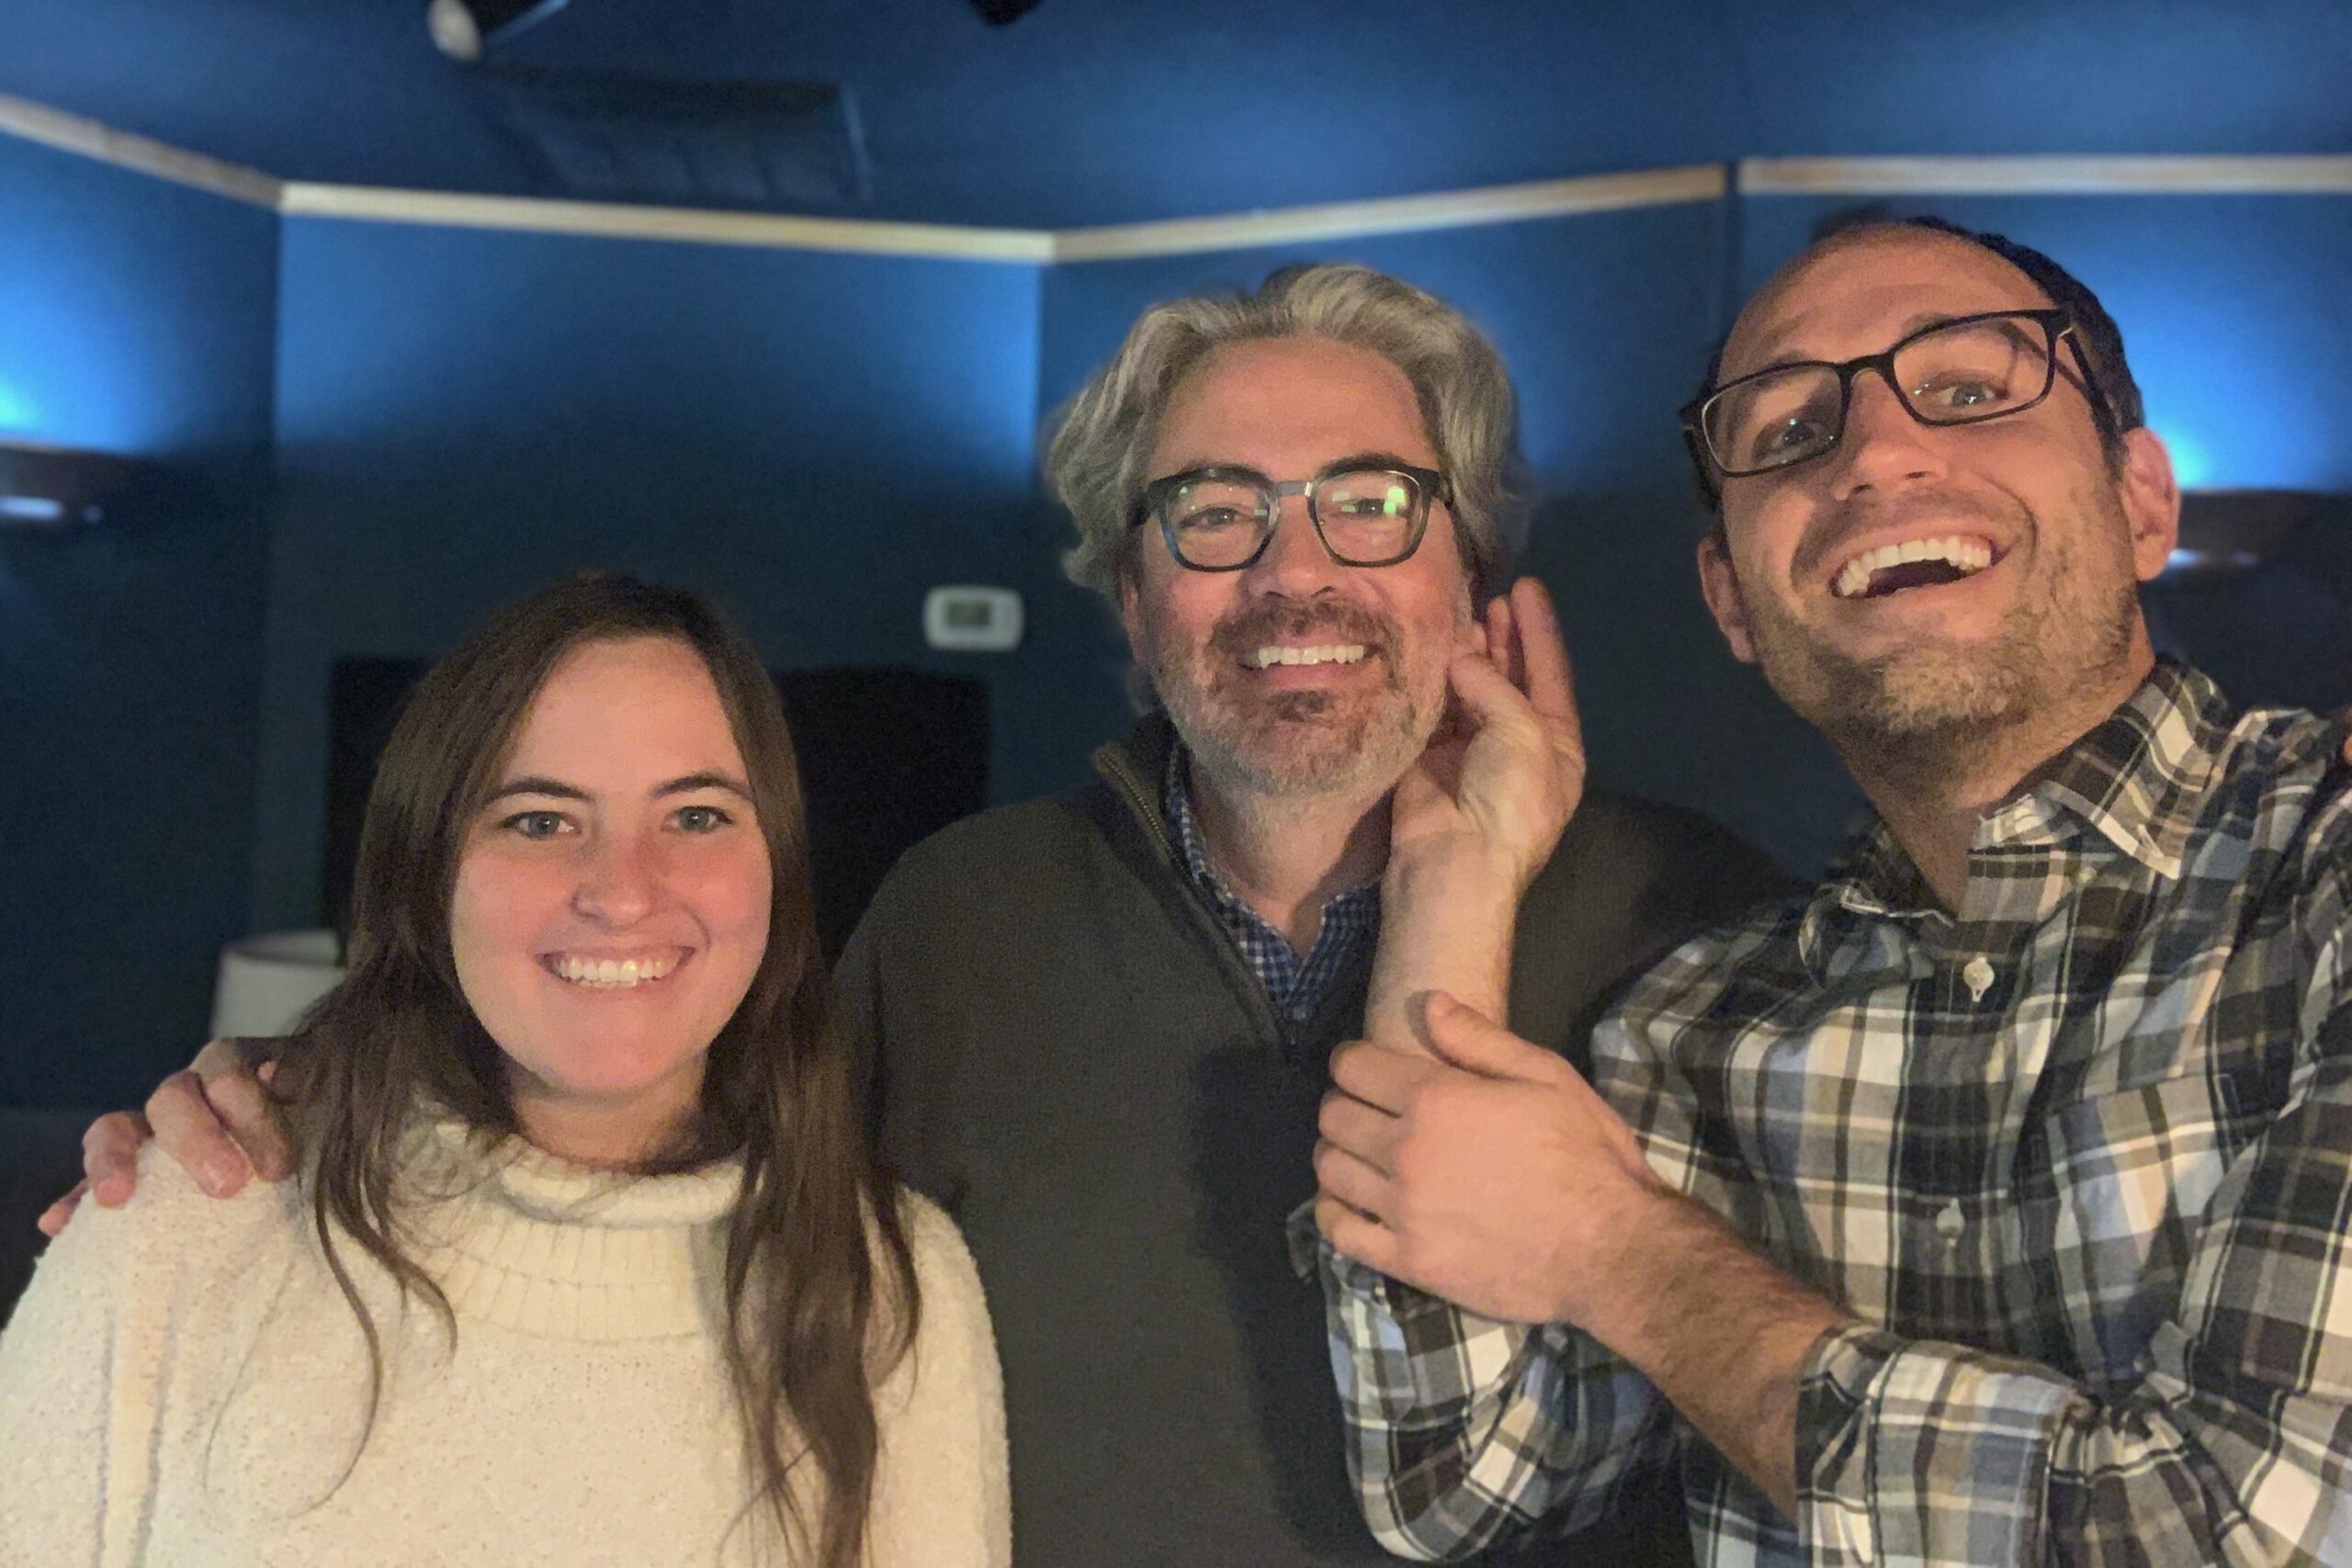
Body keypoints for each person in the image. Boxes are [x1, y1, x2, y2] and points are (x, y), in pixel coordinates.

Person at [46, 265, 1788, 1565]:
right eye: (1212, 511)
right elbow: (654, 1149)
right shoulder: (961, 916)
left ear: (1465, 565)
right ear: (1132, 591)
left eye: (1369, 500)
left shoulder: (1705, 930)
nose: (1294, 569)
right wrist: (305, 1097)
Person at [1306, 218, 2352, 1563]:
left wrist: (1623, 1253)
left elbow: (2243, 1532)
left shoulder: (2320, 868)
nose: (1876, 455)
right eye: (1794, 432)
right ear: (1735, 602)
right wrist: (1454, 871)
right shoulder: (1693, 1021)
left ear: (2144, 502)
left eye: (1970, 391)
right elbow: (1452, 1481)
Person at [0, 574, 1009, 1565]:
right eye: (539, 820)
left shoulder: (893, 1283)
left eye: (695, 815)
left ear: (777, 869)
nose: (620, 892)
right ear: (430, 873)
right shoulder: (190, 1223)